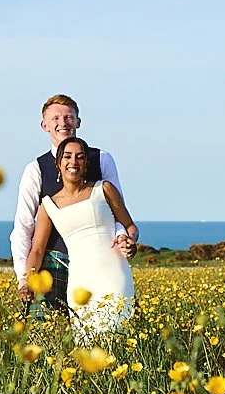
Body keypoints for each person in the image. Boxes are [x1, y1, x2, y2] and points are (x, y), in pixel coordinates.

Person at [10, 94, 134, 315]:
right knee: (48, 329)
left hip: (102, 260)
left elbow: (118, 213)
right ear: (44, 125)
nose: (63, 123)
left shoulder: (102, 160)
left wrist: (122, 239)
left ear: (78, 122)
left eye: (68, 117)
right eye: (55, 118)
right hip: (52, 261)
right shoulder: (35, 169)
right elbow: (23, 227)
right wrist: (24, 278)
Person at [21, 136, 138, 340]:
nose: (73, 162)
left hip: (114, 274)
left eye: (80, 157)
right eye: (67, 156)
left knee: (119, 337)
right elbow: (37, 250)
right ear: (58, 163)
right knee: (86, 342)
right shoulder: (47, 205)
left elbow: (130, 226)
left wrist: (130, 241)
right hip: (80, 281)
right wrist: (28, 281)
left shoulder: (104, 189)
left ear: (86, 164)